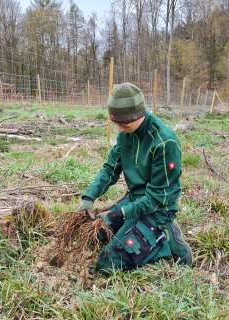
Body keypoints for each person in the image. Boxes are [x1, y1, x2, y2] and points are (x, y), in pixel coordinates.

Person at [79, 82, 192, 272]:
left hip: (158, 208)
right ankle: (140, 232)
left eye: (123, 124)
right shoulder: (125, 134)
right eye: (116, 124)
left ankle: (166, 238)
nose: (120, 129)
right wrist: (89, 197)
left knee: (109, 263)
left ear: (136, 115)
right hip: (135, 199)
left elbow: (156, 198)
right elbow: (110, 169)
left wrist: (120, 213)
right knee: (98, 233)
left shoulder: (164, 142)